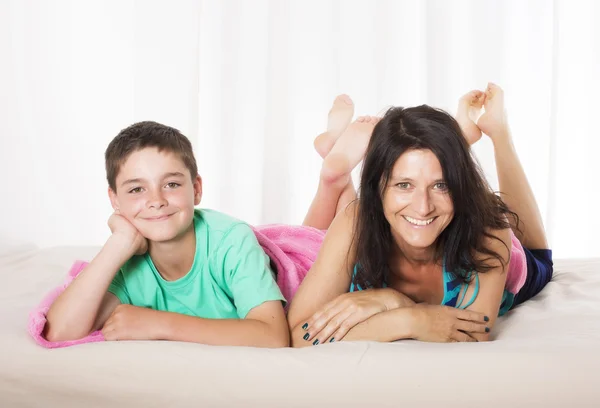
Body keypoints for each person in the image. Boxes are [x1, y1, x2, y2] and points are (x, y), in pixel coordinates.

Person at [287, 83, 553, 346]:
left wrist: (391, 312)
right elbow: (300, 334)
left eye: (441, 185)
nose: (423, 206)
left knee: (539, 257)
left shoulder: (488, 230)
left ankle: (499, 131)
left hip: (500, 250)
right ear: (377, 188)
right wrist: (407, 314)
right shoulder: (356, 218)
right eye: (404, 185)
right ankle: (457, 143)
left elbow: (472, 332)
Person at [44, 121, 293, 347]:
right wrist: (119, 242)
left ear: (196, 189)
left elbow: (273, 335)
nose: (156, 200)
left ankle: (331, 181)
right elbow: (59, 332)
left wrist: (158, 323)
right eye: (136, 189)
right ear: (114, 199)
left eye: (171, 184)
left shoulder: (230, 240)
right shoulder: (126, 261)